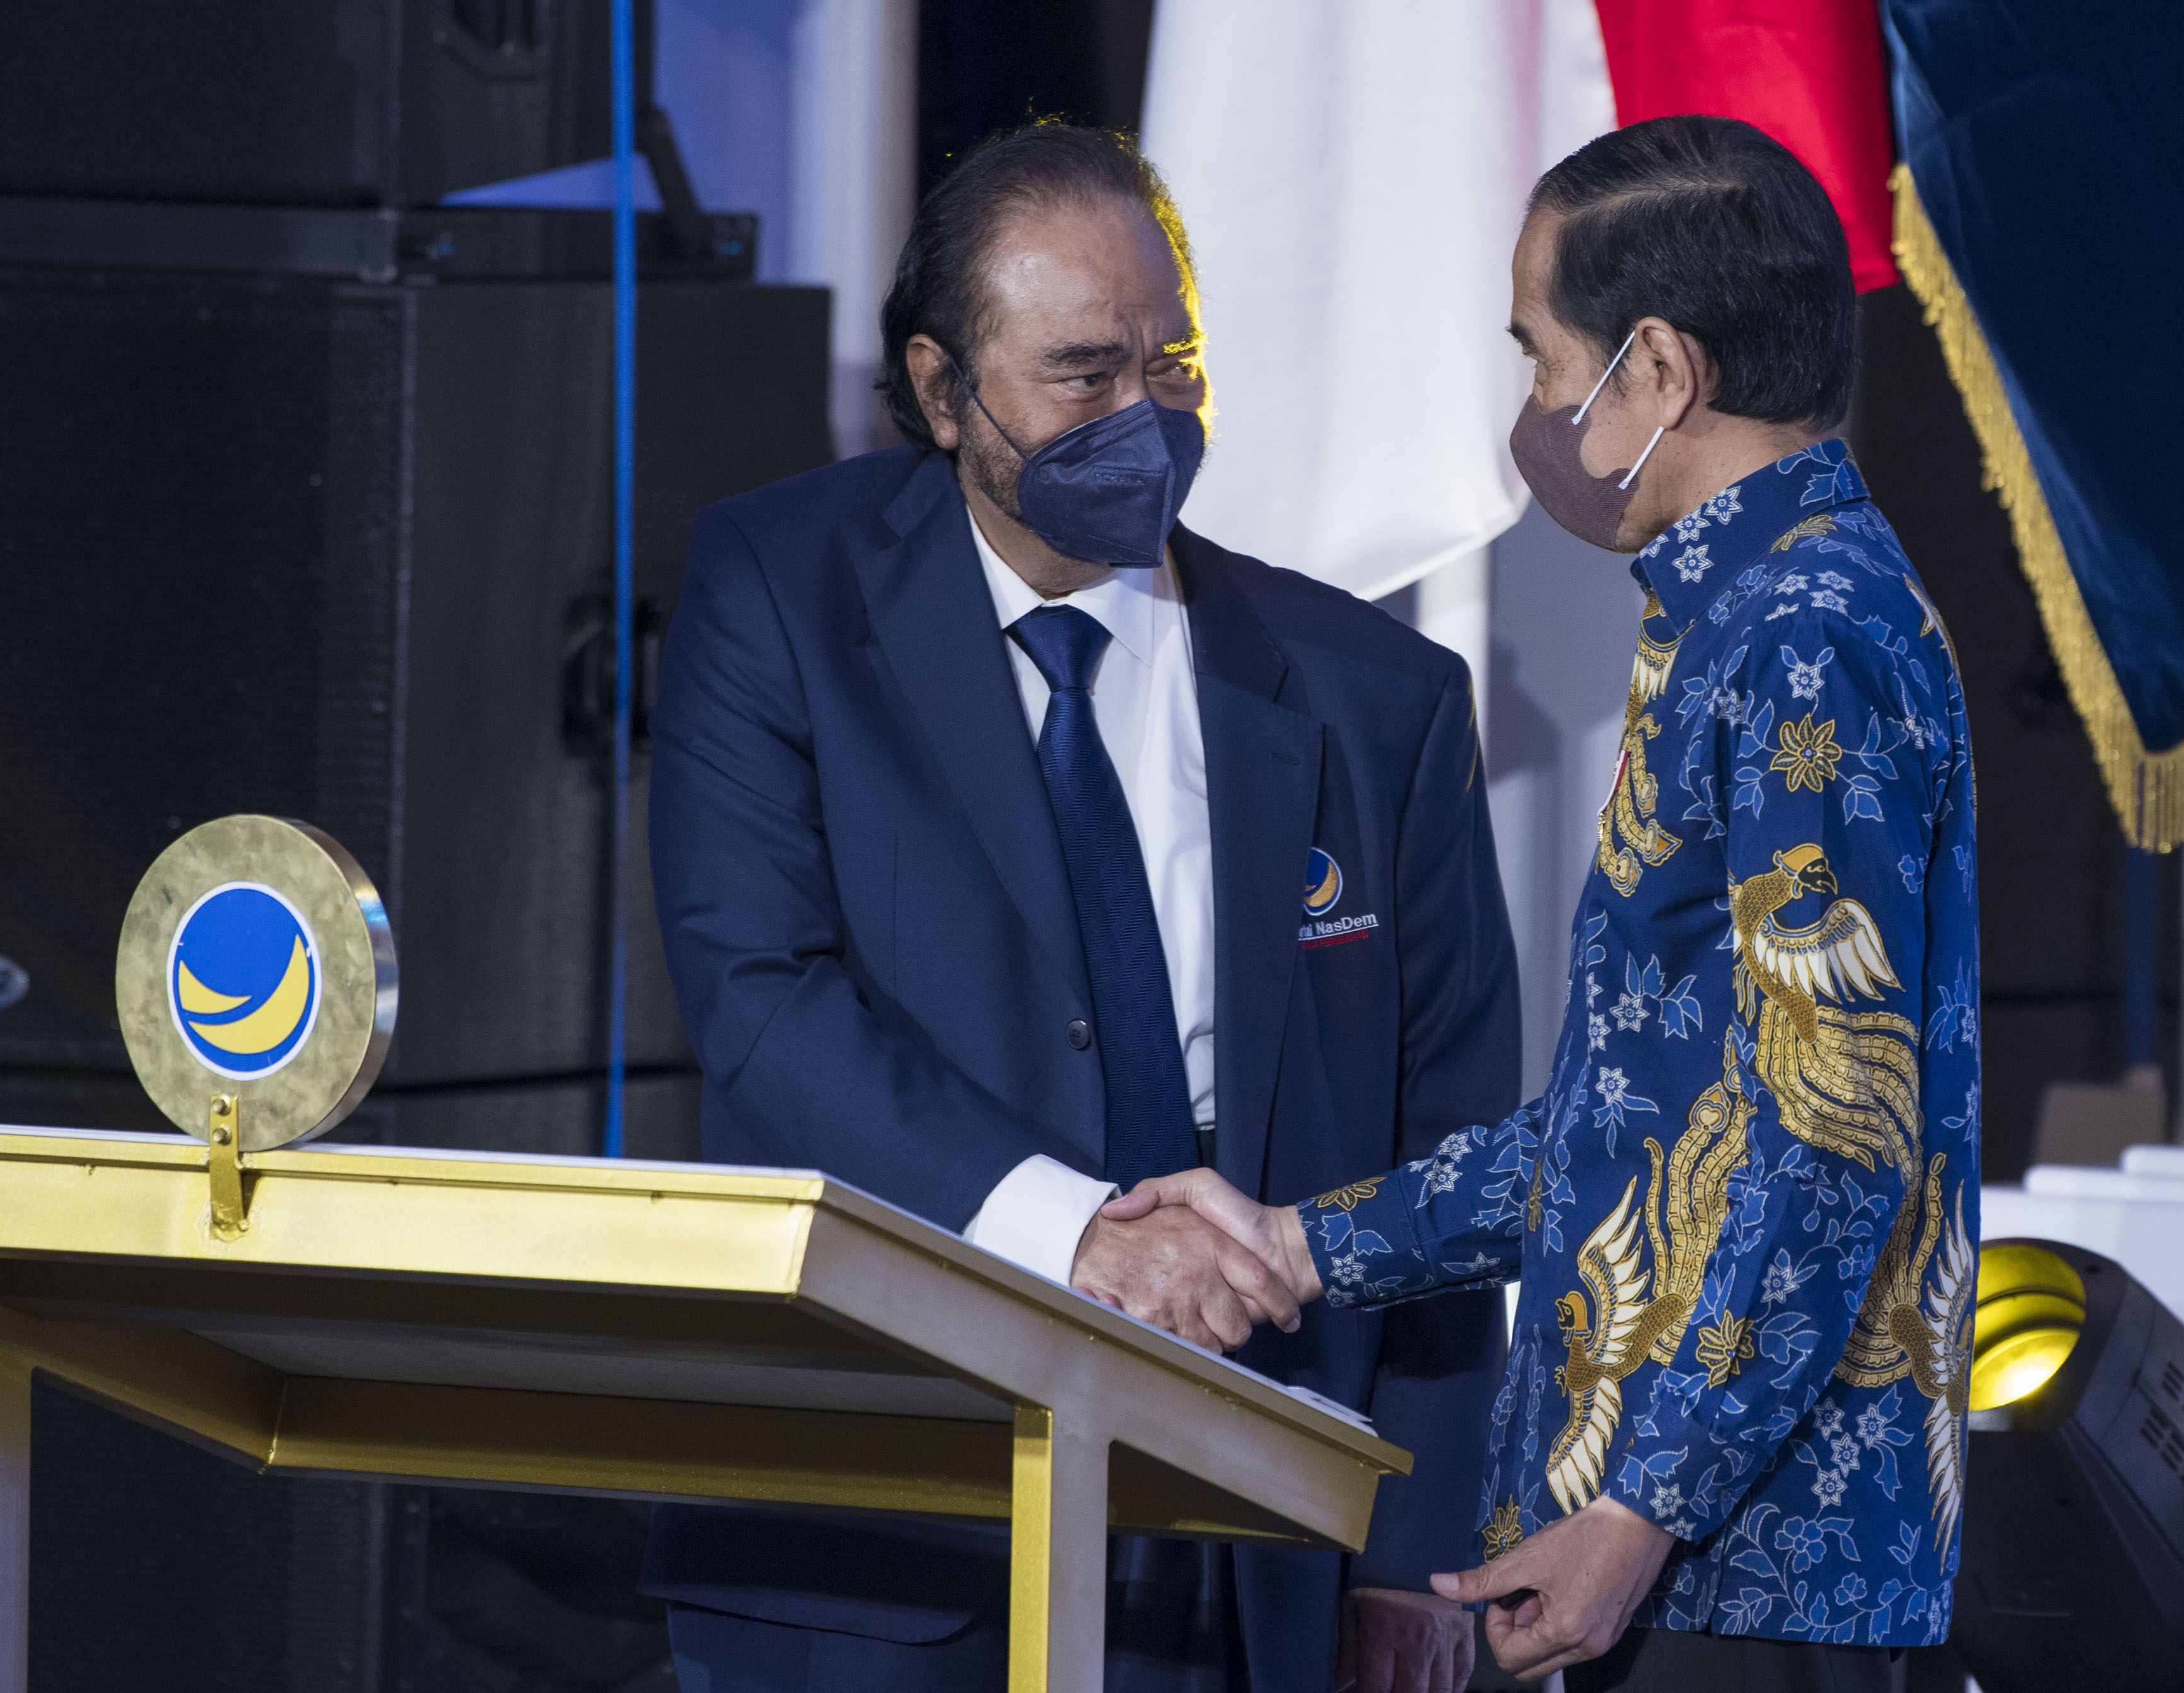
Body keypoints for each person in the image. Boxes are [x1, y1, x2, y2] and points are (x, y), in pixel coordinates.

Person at [1106, 115, 1981, 1693]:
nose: (1534, 408)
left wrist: (1646, 1498)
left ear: (1654, 372)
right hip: (1685, 1545)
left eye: (1542, 359)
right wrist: (1302, 1243)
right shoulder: (1740, 613)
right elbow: (1629, 1119)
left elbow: (1830, 1129)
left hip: (1745, 1557)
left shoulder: (1802, 635)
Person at [638, 122, 1517, 1693]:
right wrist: (1083, 1241)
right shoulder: (777, 585)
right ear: (938, 388)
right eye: (1082, 372)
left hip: (1254, 1547)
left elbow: (1445, 1137)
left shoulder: (1378, 698)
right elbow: (762, 1002)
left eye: (1171, 360)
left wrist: (1416, 1549)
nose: (1143, 414)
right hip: (884, 1534)